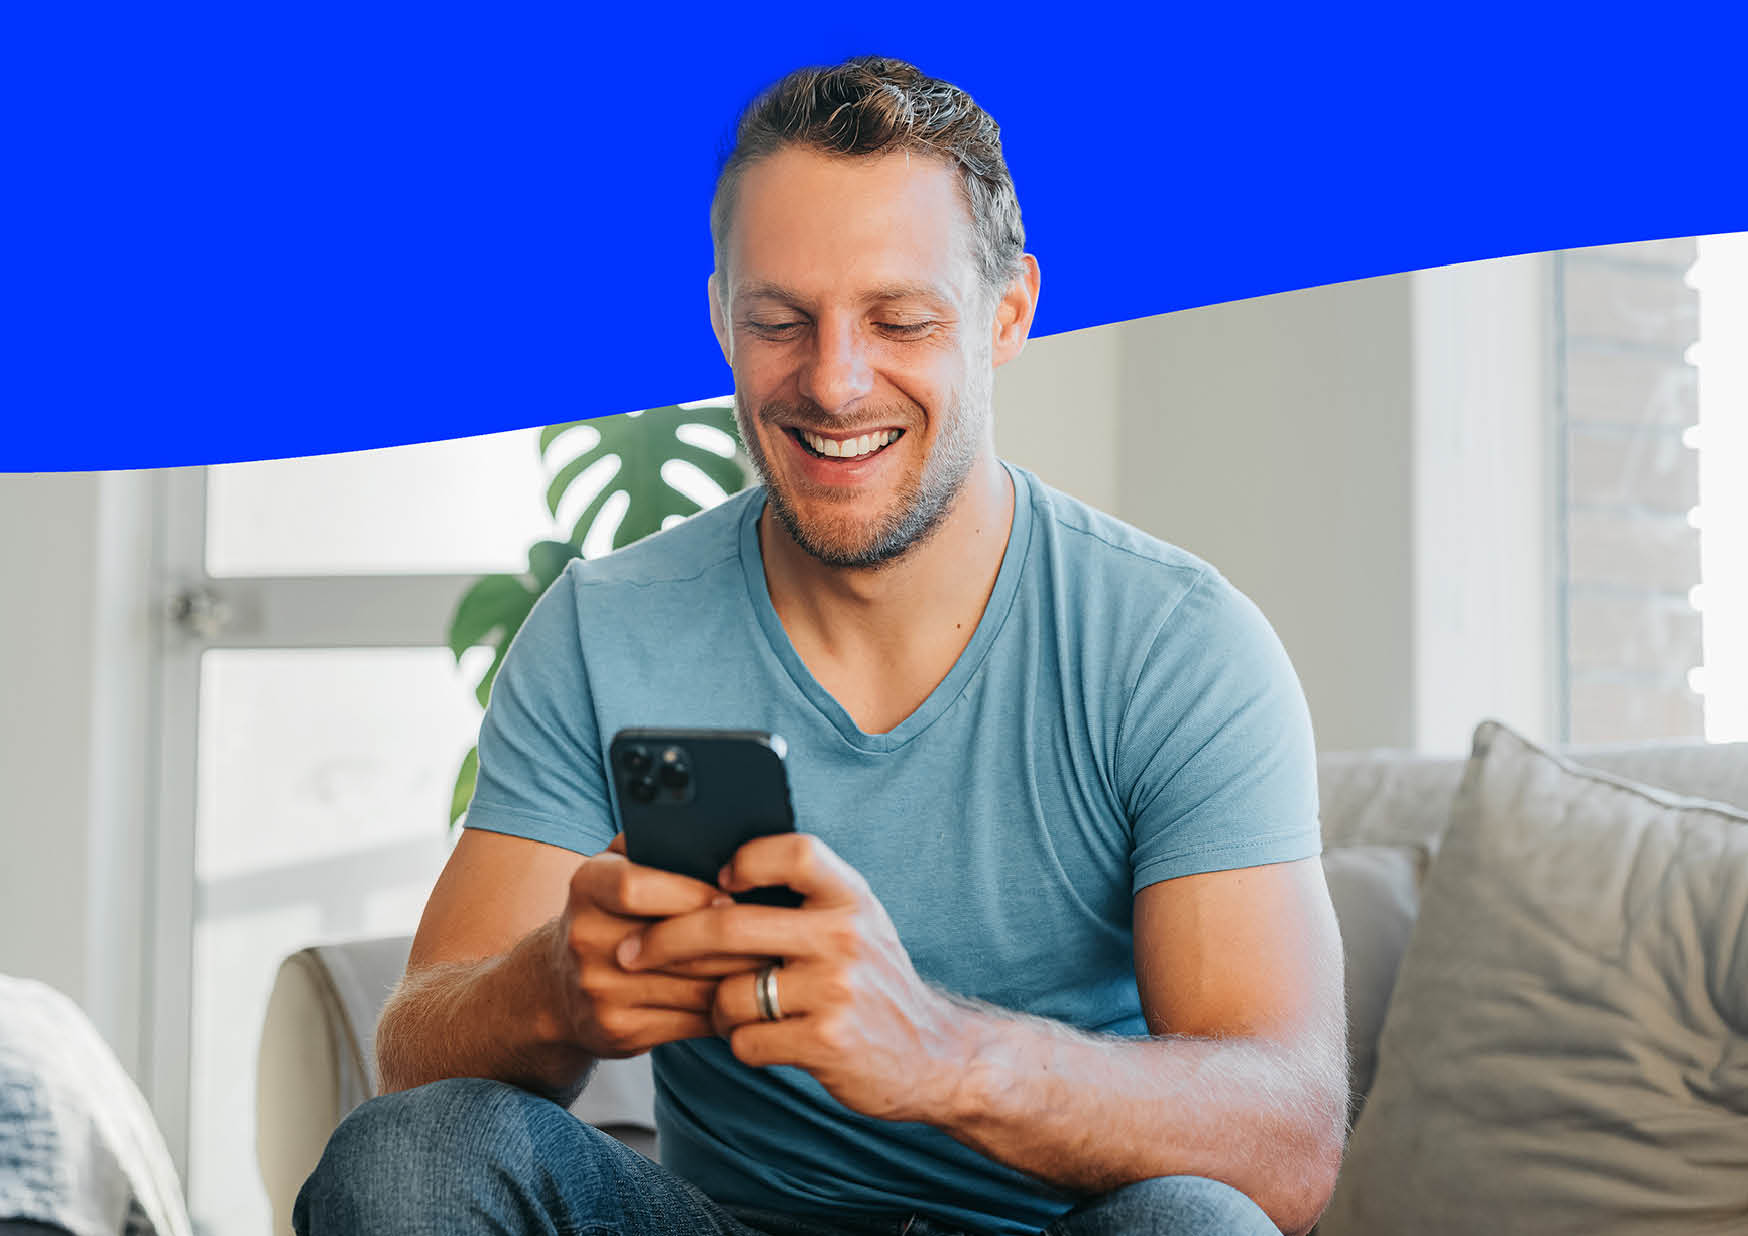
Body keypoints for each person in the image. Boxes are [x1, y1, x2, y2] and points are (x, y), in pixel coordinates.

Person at [297, 56, 1346, 1236]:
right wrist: (550, 989)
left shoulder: (1173, 646)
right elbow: (416, 1058)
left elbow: (1290, 1143)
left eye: (899, 319)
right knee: (409, 1158)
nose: (833, 383)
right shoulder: (607, 625)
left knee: (1195, 1227)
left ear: (1006, 315)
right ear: (718, 320)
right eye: (778, 323)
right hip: (723, 1224)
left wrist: (941, 1054)